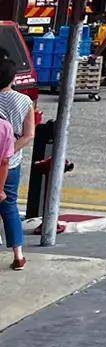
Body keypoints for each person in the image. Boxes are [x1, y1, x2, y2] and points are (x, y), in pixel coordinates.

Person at [0, 57, 35, 269]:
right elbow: (29, 135)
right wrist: (8, 151)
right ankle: (18, 255)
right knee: (9, 206)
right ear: (13, 78)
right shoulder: (24, 101)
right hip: (11, 162)